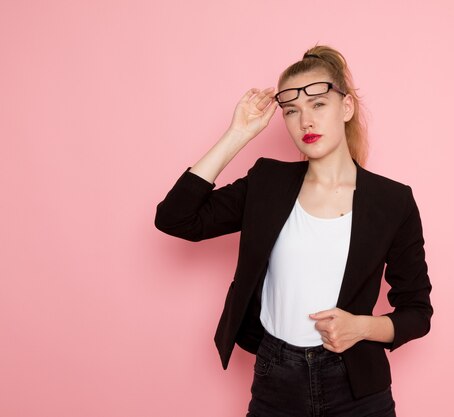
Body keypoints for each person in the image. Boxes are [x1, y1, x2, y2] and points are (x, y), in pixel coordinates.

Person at [155, 45, 433, 417]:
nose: (305, 122)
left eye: (318, 105)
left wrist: (362, 327)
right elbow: (176, 218)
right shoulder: (267, 183)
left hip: (356, 387)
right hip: (276, 377)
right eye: (291, 111)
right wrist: (238, 134)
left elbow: (417, 311)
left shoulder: (393, 201)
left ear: (346, 108)